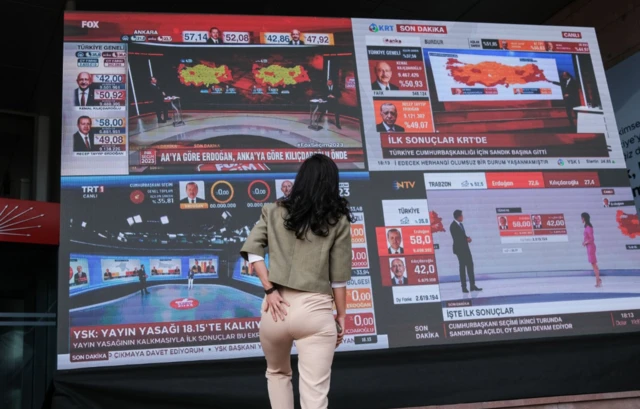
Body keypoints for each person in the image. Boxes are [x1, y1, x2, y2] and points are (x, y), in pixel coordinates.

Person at [240, 153, 353, 409]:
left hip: (275, 309)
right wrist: (342, 316)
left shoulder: (273, 210)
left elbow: (253, 251)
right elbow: (338, 277)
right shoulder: (338, 221)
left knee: (277, 374)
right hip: (315, 309)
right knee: (315, 394)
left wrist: (269, 290)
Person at [450, 209, 481, 293]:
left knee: (470, 265)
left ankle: (472, 285)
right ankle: (464, 287)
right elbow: (457, 239)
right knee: (462, 267)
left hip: (466, 249)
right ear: (458, 216)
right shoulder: (453, 226)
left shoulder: (461, 225)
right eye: (462, 215)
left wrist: (467, 238)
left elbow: (462, 236)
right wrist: (466, 239)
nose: (463, 217)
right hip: (460, 250)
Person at [581, 212, 601, 287]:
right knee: (594, 264)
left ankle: (598, 281)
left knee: (594, 264)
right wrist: (585, 242)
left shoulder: (588, 227)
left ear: (584, 218)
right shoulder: (587, 227)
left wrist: (585, 242)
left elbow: (591, 238)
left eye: (582, 218)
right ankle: (598, 279)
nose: (581, 219)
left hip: (591, 247)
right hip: (589, 247)